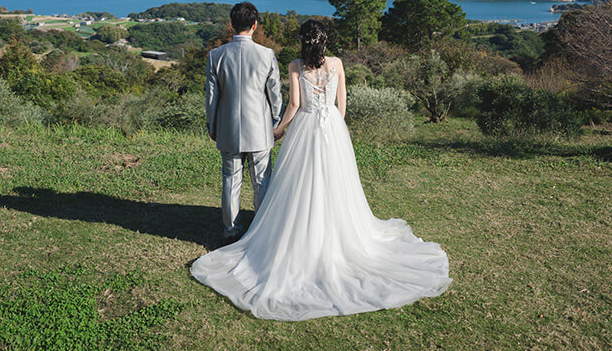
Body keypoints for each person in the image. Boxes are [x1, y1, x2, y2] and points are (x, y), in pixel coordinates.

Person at [191, 19, 451, 321]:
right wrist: (333, 127)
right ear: (324, 39)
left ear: (303, 40)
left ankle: (289, 231)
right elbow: (342, 105)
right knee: (335, 183)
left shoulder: (296, 65)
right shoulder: (338, 63)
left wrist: (279, 129)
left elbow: (294, 105)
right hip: (332, 129)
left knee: (300, 184)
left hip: (305, 126)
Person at [205, 2, 284, 241]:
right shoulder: (266, 55)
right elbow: (275, 93)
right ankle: (261, 231)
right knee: (262, 181)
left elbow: (212, 97)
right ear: (255, 25)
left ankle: (231, 230)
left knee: (231, 180)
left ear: (231, 24)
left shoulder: (216, 55)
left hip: (228, 128)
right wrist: (276, 122)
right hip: (260, 128)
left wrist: (212, 125)